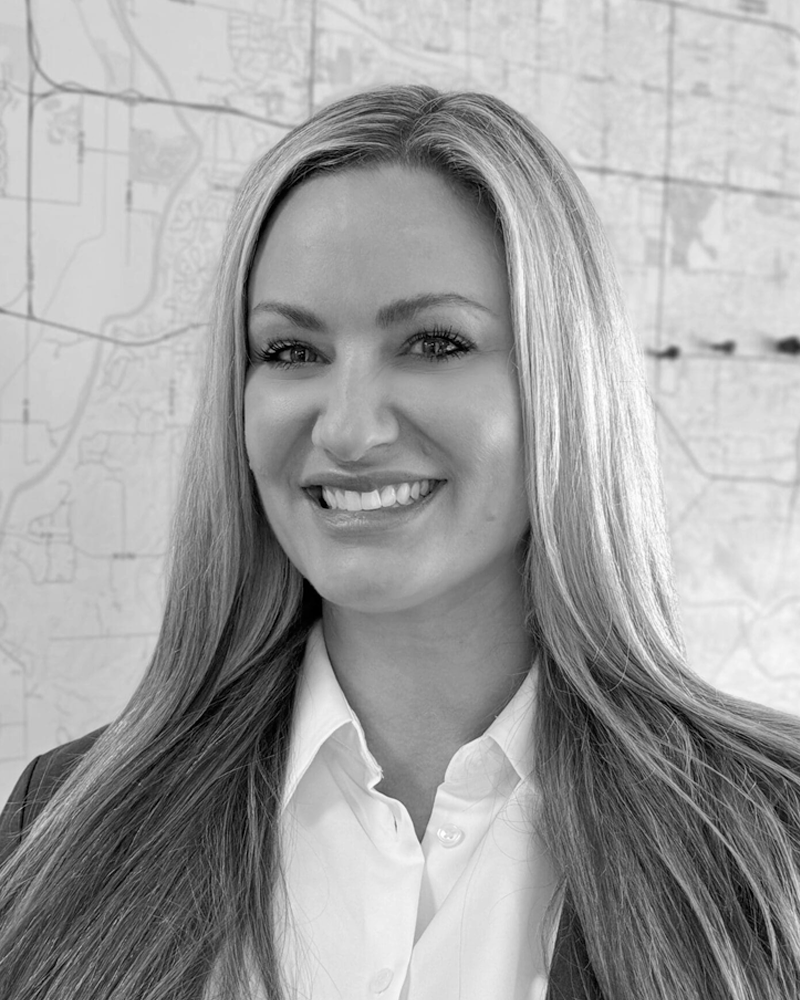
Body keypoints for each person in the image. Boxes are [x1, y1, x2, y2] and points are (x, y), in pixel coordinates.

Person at [1, 83, 799, 1000]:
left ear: (564, 384)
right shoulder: (57, 827)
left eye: (433, 342)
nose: (346, 430)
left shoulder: (776, 842)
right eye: (292, 353)